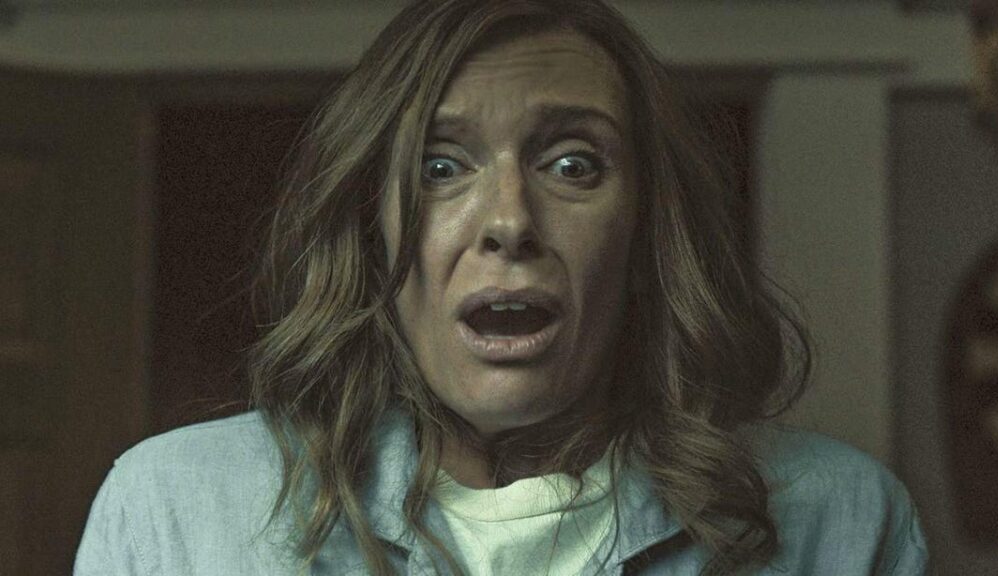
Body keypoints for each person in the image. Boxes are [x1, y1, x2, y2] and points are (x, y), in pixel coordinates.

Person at [74, 1, 928, 575]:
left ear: (647, 234)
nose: (510, 220)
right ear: (372, 230)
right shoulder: (179, 512)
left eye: (573, 164)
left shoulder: (839, 521)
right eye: (441, 167)